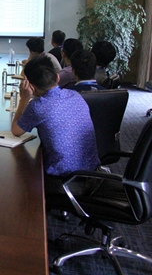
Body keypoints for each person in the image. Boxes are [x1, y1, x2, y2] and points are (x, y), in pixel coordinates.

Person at [11, 56, 99, 192]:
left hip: (62, 180)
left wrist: (23, 99)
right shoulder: (75, 95)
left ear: (31, 87)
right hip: (92, 173)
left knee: (19, 176)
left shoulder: (38, 106)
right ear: (57, 77)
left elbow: (16, 131)